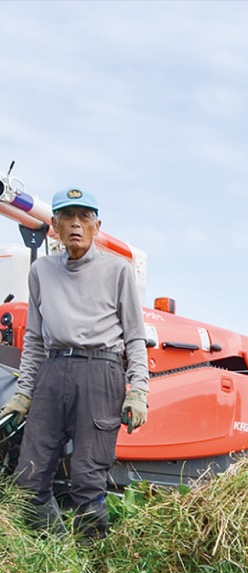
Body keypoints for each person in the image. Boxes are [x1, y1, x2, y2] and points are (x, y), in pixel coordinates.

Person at [0, 187, 149, 540]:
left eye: (84, 217)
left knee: (86, 478)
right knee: (29, 478)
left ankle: (92, 559)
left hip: (101, 373)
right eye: (67, 216)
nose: (76, 224)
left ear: (97, 226)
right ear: (55, 226)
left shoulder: (118, 271)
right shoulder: (41, 272)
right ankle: (57, 552)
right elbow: (34, 339)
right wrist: (23, 394)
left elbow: (135, 337)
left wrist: (138, 391)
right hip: (52, 373)